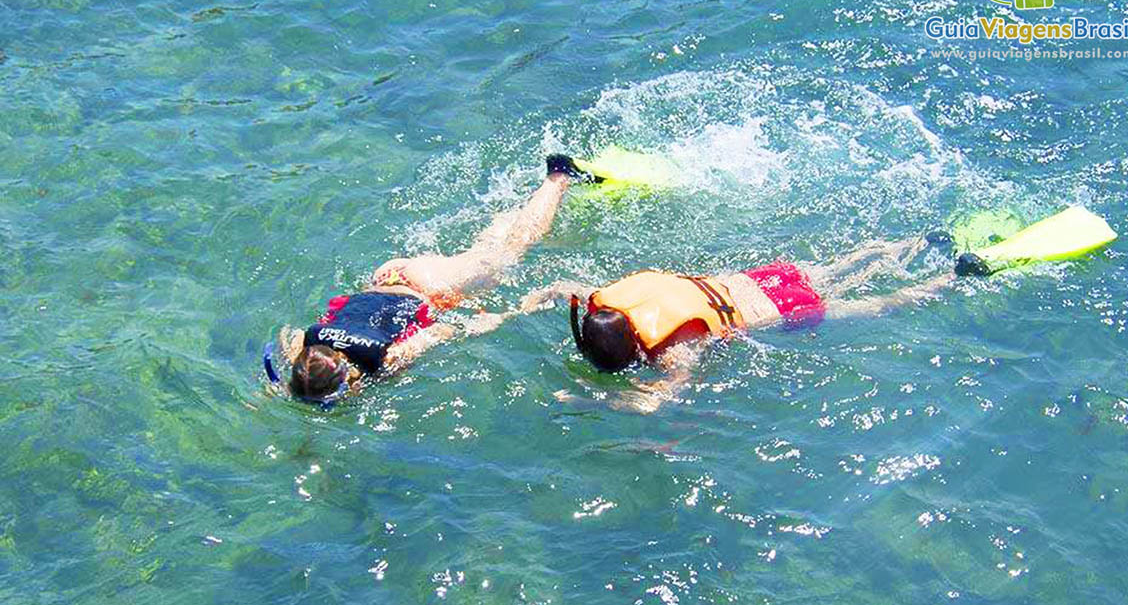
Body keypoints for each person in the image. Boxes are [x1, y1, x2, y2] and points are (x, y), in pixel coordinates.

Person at [272, 155, 596, 403]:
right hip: (390, 276)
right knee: (486, 251)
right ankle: (520, 204)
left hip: (429, 286)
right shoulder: (306, 346)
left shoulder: (386, 359)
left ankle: (559, 176)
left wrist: (486, 322)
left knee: (514, 250)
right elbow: (290, 339)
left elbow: (441, 330)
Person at [517, 237, 955, 412]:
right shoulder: (613, 299)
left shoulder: (672, 349)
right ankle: (904, 247)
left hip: (779, 312)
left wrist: (589, 400)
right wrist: (534, 299)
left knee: (872, 306)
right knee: (839, 268)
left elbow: (656, 400)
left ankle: (950, 278)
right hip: (760, 280)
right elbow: (562, 287)